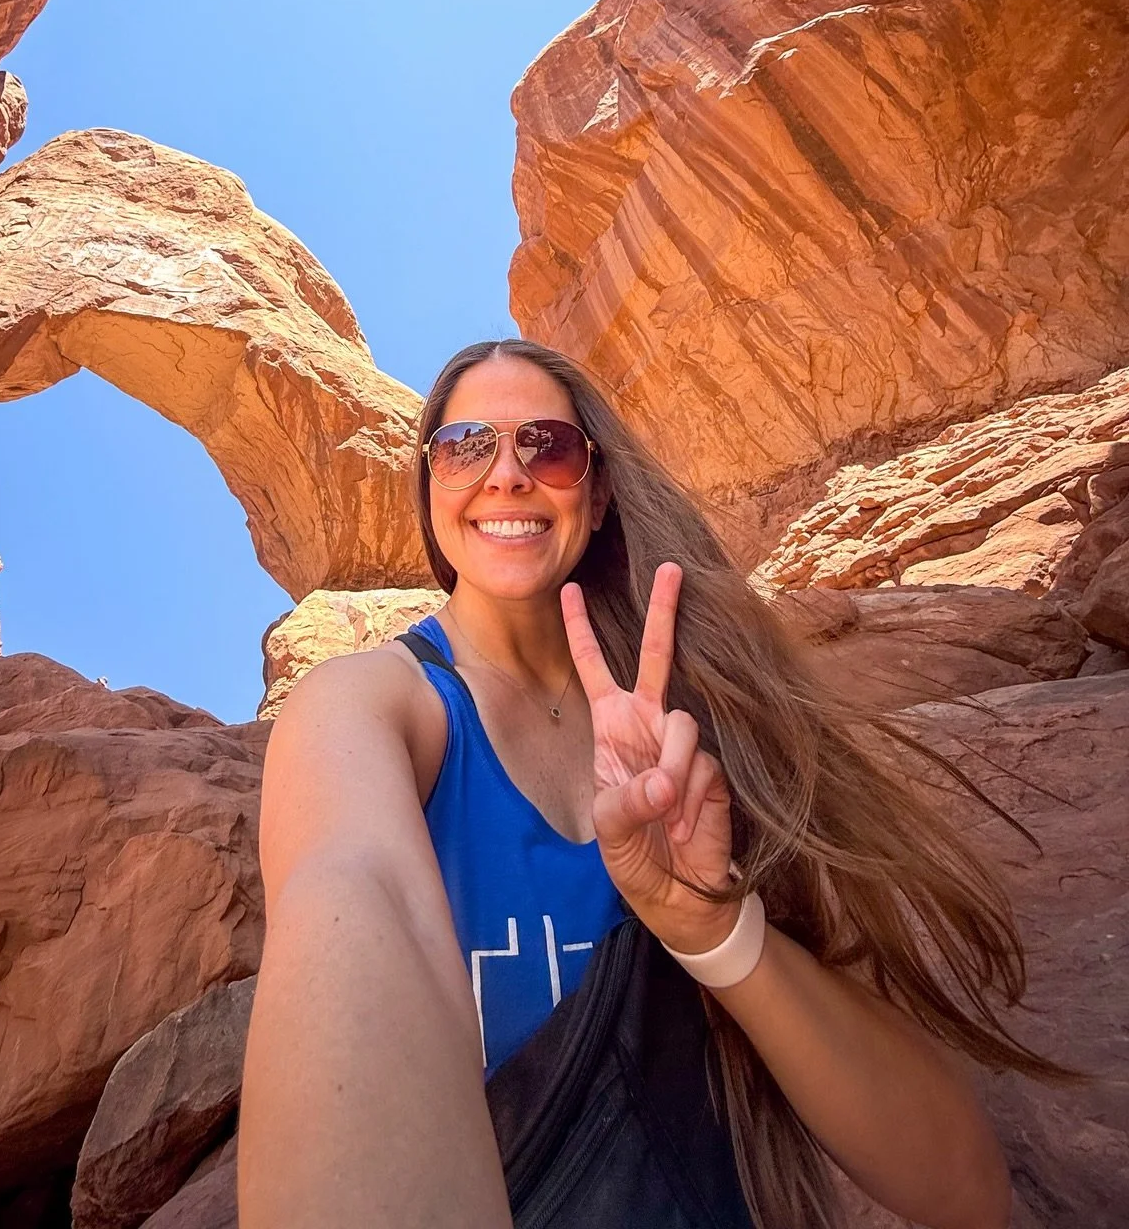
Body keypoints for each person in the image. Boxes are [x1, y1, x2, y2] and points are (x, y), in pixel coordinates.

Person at [240, 338, 1057, 1229]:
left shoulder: (689, 728)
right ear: (432, 491)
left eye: (546, 446)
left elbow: (965, 1192)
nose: (507, 474)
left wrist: (708, 927)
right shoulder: (369, 703)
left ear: (596, 495)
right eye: (466, 446)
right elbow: (355, 889)